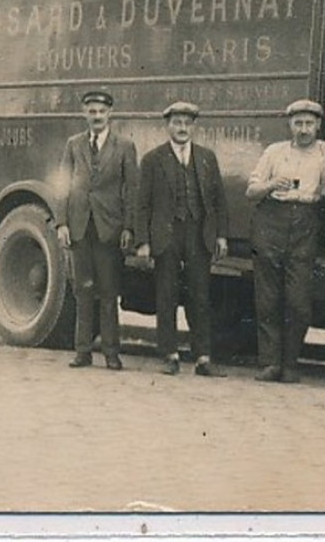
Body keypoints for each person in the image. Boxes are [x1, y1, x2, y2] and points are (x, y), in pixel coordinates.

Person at [244, 100, 325, 383]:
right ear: (290, 125)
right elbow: (251, 191)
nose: (304, 130)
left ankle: (290, 363)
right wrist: (272, 185)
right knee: (268, 297)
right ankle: (269, 364)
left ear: (318, 125)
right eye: (298, 123)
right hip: (271, 220)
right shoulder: (274, 152)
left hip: (305, 221)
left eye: (309, 124)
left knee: (298, 300)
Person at [134, 102, 230, 377]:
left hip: (199, 234)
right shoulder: (153, 159)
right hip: (167, 235)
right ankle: (170, 355)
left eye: (187, 123)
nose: (182, 128)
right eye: (177, 122)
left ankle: (202, 357)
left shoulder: (206, 158)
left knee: (200, 296)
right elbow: (142, 204)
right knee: (167, 295)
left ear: (194, 127)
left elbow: (219, 200)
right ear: (168, 126)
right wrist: (143, 241)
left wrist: (221, 235)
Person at [55, 88, 137, 371]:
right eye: (91, 112)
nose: (97, 117)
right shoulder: (74, 144)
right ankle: (83, 352)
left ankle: (111, 353)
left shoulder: (124, 146)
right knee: (82, 290)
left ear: (110, 114)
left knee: (109, 291)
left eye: (102, 112)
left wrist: (128, 227)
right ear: (84, 114)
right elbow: (62, 183)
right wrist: (62, 223)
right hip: (79, 227)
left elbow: (132, 189)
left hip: (108, 229)